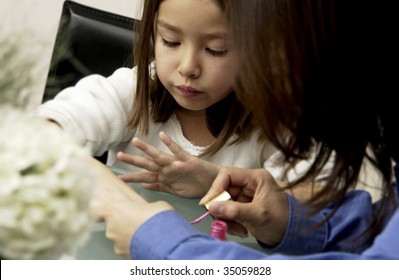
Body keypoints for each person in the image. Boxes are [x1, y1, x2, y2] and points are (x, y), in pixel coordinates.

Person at [90, 0, 399, 259]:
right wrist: (282, 217)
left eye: (220, 49)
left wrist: (159, 240)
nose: (261, 71)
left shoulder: (280, 126)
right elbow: (378, 230)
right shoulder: (131, 89)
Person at [37, 0, 297, 199]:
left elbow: (311, 209)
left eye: (215, 50)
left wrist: (219, 183)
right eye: (171, 42)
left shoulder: (275, 124)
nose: (188, 68)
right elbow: (55, 123)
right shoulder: (137, 90)